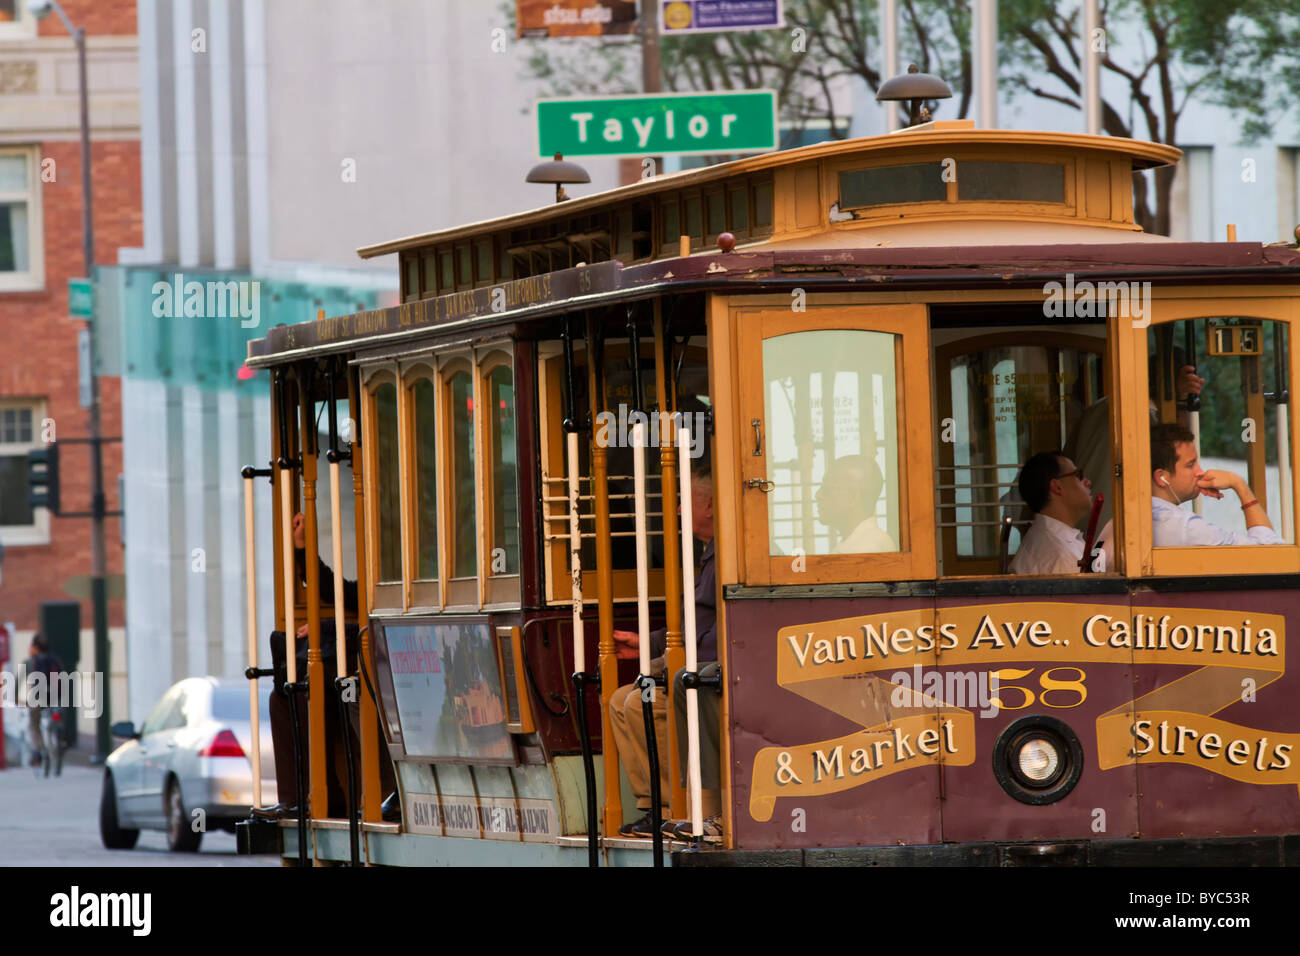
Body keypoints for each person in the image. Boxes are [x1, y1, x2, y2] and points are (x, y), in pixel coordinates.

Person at [608, 473, 716, 837]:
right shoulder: (708, 554)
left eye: (686, 501)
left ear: (712, 507)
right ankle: (653, 803)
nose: (680, 509)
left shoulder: (727, 556)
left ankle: (677, 805)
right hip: (691, 665)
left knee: (643, 703)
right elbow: (690, 625)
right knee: (619, 699)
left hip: (710, 673)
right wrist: (648, 643)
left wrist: (673, 663)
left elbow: (718, 634)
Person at [1150, 423, 1283, 546]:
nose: (1200, 472)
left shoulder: (1146, 516)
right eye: (1190, 465)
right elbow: (1268, 551)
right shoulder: (1186, 527)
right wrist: (1239, 484)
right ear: (1161, 477)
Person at [1010, 451, 1107, 574]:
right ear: (1057, 487)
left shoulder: (1044, 539)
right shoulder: (1062, 557)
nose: (1088, 482)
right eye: (1078, 475)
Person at [815, 454, 897, 554]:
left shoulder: (865, 549)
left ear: (853, 497)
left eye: (827, 489)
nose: (817, 495)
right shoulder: (860, 543)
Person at [23, 635, 63, 766]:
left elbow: (20, 682)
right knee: (57, 718)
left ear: (35, 648)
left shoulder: (31, 662)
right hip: (55, 697)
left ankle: (37, 752)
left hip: (39, 698)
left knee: (34, 724)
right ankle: (60, 739)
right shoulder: (55, 660)